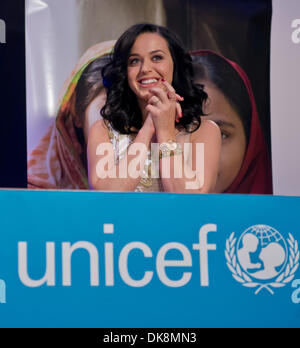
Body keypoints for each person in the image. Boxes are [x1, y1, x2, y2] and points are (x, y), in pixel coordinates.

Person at [88, 23, 221, 193]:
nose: (145, 69)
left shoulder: (204, 132)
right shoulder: (103, 131)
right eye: (134, 61)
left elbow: (191, 200)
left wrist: (165, 132)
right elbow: (105, 196)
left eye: (157, 57)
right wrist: (149, 127)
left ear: (175, 65)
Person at [27, 40, 115, 189]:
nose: (124, 124)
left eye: (135, 111)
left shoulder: (159, 174)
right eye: (109, 110)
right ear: (77, 113)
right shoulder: (27, 187)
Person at [191, 50, 273, 194]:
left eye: (221, 135)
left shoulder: (283, 215)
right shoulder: (142, 213)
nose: (201, 156)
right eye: (185, 132)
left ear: (250, 141)